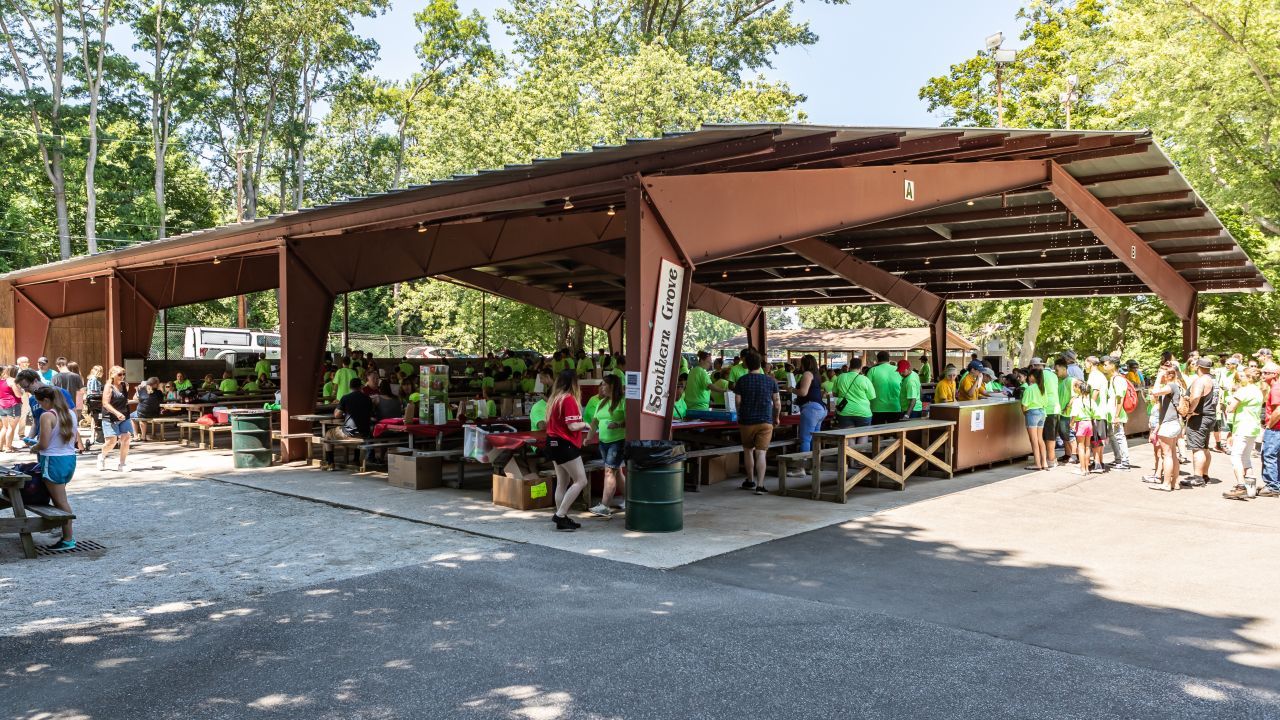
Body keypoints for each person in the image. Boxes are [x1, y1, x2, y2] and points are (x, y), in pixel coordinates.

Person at [32, 386, 80, 550]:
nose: (40, 406)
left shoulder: (47, 416)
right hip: (69, 459)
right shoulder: (71, 413)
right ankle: (63, 532)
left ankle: (68, 539)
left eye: (40, 403)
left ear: (46, 400)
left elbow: (44, 444)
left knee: (61, 502)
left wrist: (34, 447)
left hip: (53, 461)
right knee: (60, 499)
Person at [545, 370, 591, 531]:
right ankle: (560, 515)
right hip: (565, 444)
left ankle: (561, 518)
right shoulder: (569, 399)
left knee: (562, 482)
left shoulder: (555, 399)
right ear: (573, 383)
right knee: (581, 480)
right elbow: (572, 426)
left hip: (553, 442)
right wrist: (585, 424)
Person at [735, 350, 780, 495]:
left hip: (747, 420)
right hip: (765, 420)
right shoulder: (770, 381)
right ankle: (760, 485)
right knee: (761, 453)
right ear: (760, 364)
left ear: (747, 365)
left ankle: (750, 480)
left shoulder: (741, 380)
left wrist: (739, 413)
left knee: (748, 450)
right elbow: (777, 403)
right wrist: (776, 417)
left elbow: (738, 401)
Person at [1222, 366, 1264, 500]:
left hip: (1242, 427)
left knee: (1236, 457)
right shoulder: (1258, 391)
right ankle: (1250, 488)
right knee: (1246, 458)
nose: (1240, 378)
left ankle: (1241, 486)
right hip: (1253, 428)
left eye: (1243, 376)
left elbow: (1230, 408)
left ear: (1249, 378)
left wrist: (1228, 402)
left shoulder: (1244, 390)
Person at [588, 374, 626, 517]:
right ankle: (630, 500)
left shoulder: (623, 401)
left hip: (618, 441)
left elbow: (631, 420)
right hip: (603, 442)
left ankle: (604, 506)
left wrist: (618, 424)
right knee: (617, 472)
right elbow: (594, 422)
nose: (601, 387)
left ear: (612, 386)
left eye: (604, 384)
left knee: (609, 471)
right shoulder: (601, 402)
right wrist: (588, 438)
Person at [1149, 363, 1186, 491]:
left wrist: (1159, 377)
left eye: (1162, 373)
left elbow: (1154, 392)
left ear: (1168, 375)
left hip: (1169, 424)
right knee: (1173, 455)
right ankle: (1175, 483)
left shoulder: (1171, 386)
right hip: (1173, 423)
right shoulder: (1176, 386)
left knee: (1167, 455)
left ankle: (1166, 484)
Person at [1181, 357, 1217, 487]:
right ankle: (1204, 475)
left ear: (1198, 367)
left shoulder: (1200, 380)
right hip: (1210, 416)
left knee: (1197, 449)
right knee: (1205, 448)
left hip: (1199, 417)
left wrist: (1190, 412)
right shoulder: (1213, 380)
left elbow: (1196, 397)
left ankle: (1198, 478)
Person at [98, 366, 132, 472]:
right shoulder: (109, 387)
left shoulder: (125, 385)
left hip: (124, 416)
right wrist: (117, 413)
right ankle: (102, 456)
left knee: (126, 437)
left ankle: (122, 464)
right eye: (119, 374)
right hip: (110, 417)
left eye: (124, 374)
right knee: (112, 442)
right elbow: (105, 403)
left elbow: (123, 400)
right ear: (112, 375)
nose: (122, 376)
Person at [1103, 357, 1133, 471]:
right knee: (1113, 436)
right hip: (1112, 414)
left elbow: (1120, 399)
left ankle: (1125, 462)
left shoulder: (1118, 379)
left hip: (1116, 415)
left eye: (1106, 365)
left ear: (1112, 365)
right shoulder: (1113, 379)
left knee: (1119, 436)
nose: (1104, 367)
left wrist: (1116, 416)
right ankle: (1118, 459)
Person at [794, 354, 826, 455]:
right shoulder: (817, 375)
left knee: (805, 439)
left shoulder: (807, 374)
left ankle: (803, 463)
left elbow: (803, 392)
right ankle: (815, 461)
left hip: (811, 409)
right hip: (820, 408)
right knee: (814, 438)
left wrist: (791, 389)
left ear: (804, 364)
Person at [832, 357, 876, 428]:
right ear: (860, 367)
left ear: (850, 366)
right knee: (863, 433)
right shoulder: (865, 379)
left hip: (844, 411)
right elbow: (871, 397)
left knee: (848, 433)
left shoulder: (840, 377)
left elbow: (834, 394)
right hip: (863, 412)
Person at [1084, 356, 1111, 473]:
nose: (1085, 366)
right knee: (1099, 439)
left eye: (1085, 363)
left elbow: (1095, 391)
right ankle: (1100, 461)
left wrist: (1089, 407)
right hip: (1102, 412)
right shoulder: (1101, 375)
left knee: (1095, 440)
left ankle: (1097, 464)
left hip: (1096, 412)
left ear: (1090, 363)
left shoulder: (1094, 375)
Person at [1021, 367, 1049, 471]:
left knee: (1033, 440)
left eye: (1029, 376)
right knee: (1040, 439)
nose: (1028, 378)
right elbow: (1046, 402)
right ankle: (1044, 463)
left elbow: (1024, 405)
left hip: (1032, 413)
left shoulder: (1029, 389)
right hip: (1042, 412)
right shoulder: (1042, 388)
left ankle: (1037, 464)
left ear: (1032, 377)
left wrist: (1024, 413)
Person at [1066, 379, 1094, 477]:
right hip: (1089, 423)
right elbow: (1094, 412)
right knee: (1087, 446)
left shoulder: (1077, 401)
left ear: (1080, 390)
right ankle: (1087, 468)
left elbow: (1074, 414)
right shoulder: (1091, 401)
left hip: (1081, 423)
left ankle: (1082, 469)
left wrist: (1071, 423)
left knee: (1080, 446)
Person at [1260, 362, 1280, 498]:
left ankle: (1272, 486)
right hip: (1276, 429)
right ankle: (1275, 484)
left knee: (1269, 455)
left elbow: (1278, 411)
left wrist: (1269, 426)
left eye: (1265, 373)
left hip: (1275, 429)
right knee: (1275, 456)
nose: (1262, 375)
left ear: (1275, 374)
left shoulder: (1276, 388)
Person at [1052, 358, 1076, 464]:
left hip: (1067, 413)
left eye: (1057, 370)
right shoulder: (1059, 380)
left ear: (1064, 369)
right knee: (1064, 435)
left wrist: (1067, 406)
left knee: (1069, 435)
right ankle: (1068, 454)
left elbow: (1075, 396)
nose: (1056, 372)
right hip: (1060, 412)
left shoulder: (1071, 380)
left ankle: (1074, 455)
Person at [1213, 356, 1239, 453]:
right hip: (1221, 400)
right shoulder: (1222, 372)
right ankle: (1221, 444)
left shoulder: (1237, 374)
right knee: (1220, 422)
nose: (1226, 366)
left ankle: (1229, 444)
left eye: (1229, 364)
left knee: (1231, 422)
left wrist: (1230, 388)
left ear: (1234, 365)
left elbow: (1239, 386)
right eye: (1226, 364)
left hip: (1232, 400)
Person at [867, 352, 902, 425]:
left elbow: (867, 388)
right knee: (894, 431)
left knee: (877, 431)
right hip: (895, 406)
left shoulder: (872, 370)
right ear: (889, 359)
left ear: (877, 359)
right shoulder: (898, 370)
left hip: (876, 407)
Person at [0, 366, 22, 452]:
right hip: (12, 405)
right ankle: (8, 447)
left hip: (2, 405)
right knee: (11, 428)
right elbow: (18, 395)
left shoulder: (1, 380)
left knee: (5, 427)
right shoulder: (11, 381)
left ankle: (1, 446)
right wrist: (21, 391)